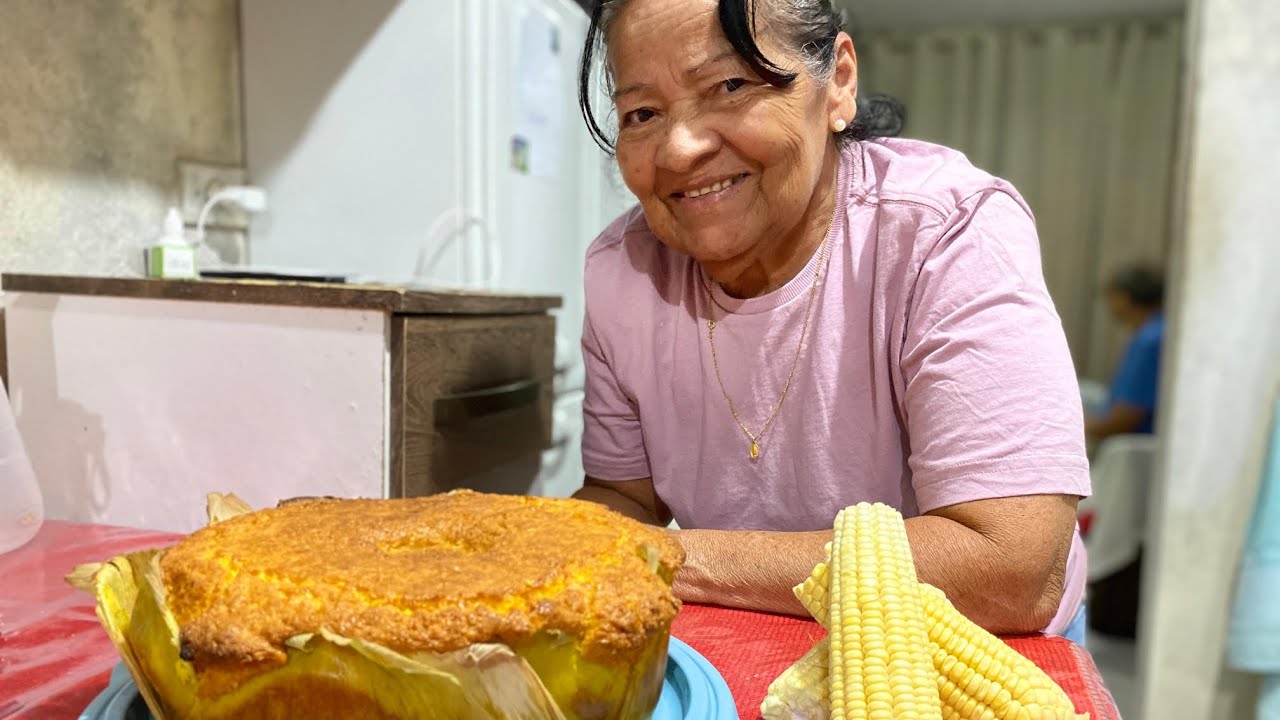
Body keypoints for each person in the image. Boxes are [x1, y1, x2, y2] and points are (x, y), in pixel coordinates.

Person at [571, 0, 1091, 640]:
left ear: (839, 82)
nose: (679, 150)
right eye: (642, 113)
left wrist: (668, 558)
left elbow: (1013, 569)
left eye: (730, 85)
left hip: (965, 644)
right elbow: (623, 500)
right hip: (754, 624)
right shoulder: (622, 272)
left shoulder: (947, 231)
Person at [1086, 263, 1166, 442]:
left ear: (1124, 297)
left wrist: (1074, 427)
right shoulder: (1156, 331)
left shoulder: (1150, 341)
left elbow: (1125, 418)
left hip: (1132, 453)